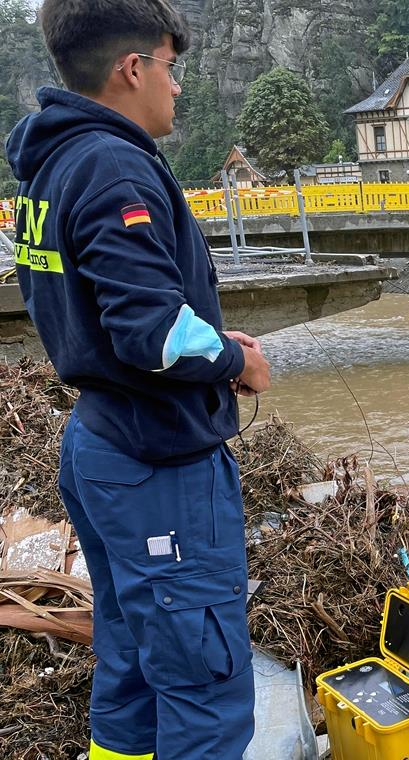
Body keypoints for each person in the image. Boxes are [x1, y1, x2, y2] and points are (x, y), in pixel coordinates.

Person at [5, 1, 271, 758]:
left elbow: (111, 309)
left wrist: (212, 342)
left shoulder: (53, 165)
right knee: (203, 678)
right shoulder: (113, 166)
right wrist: (235, 360)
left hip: (101, 444)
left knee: (129, 653)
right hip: (160, 463)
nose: (177, 89)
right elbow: (150, 331)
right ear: (133, 69)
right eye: (171, 69)